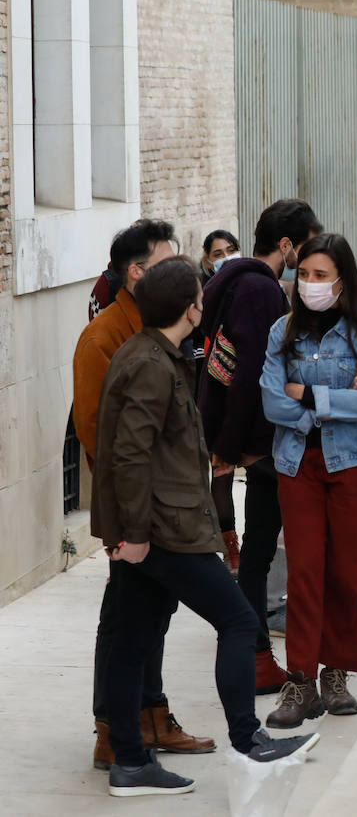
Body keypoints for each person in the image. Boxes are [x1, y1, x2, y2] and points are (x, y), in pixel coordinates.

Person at [92, 257, 320, 797]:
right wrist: (137, 536)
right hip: (163, 531)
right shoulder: (149, 363)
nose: (204, 303)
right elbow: (130, 454)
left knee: (131, 641)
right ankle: (248, 738)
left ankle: (130, 762)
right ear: (189, 307)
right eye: (199, 295)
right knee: (239, 622)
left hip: (153, 526)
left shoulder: (154, 355)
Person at [74, 218, 214, 769]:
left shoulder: (164, 329)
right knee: (125, 621)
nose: (183, 273)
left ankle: (153, 716)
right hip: (134, 515)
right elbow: (96, 434)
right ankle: (112, 728)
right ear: (137, 273)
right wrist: (127, 519)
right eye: (167, 262)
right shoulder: (104, 337)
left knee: (155, 614)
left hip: (167, 510)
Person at [259, 233, 357, 727]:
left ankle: (336, 673)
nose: (309, 284)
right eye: (304, 274)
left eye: (321, 276)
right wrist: (331, 402)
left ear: (343, 280)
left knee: (349, 574)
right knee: (305, 571)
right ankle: (299, 682)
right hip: (298, 465)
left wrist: (307, 396)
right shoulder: (282, 331)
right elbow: (272, 402)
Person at [198, 199, 321, 695]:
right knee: (262, 553)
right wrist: (231, 445)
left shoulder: (241, 282)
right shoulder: (260, 290)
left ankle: (256, 655)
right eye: (305, 248)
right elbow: (249, 373)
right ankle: (254, 655)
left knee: (259, 550)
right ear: (287, 245)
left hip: (251, 441)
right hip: (264, 446)